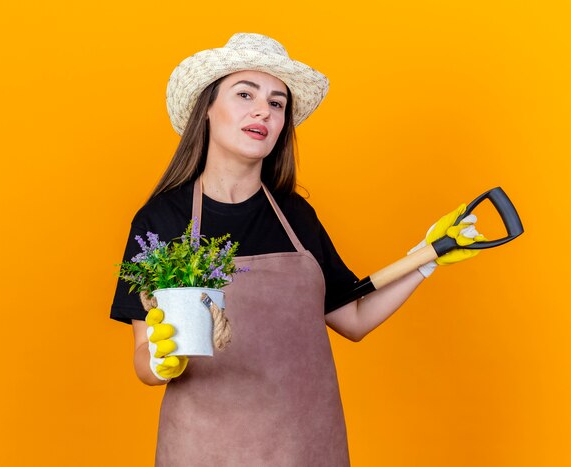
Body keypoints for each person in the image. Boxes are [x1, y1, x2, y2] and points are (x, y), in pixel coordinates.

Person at [110, 33, 484, 466]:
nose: (262, 111)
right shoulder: (162, 221)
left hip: (306, 448)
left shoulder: (295, 216)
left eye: (276, 103)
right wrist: (162, 359)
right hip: (204, 451)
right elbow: (143, 359)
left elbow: (354, 318)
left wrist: (426, 258)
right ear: (207, 109)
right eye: (245, 93)